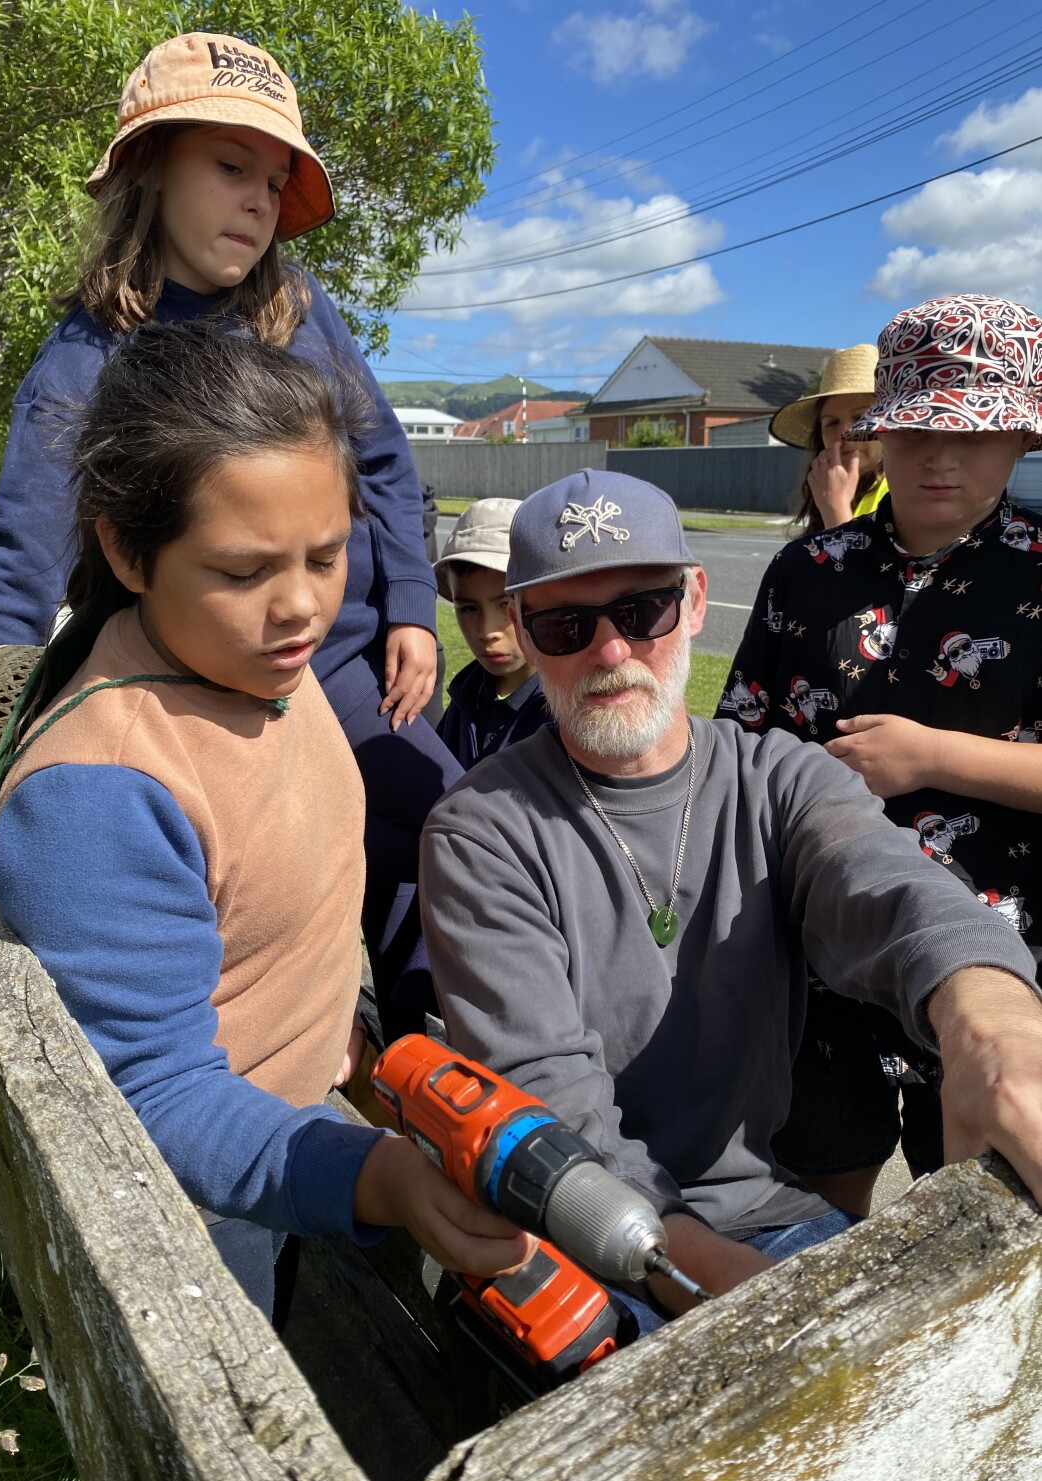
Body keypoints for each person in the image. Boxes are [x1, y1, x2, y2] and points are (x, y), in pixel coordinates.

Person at [0, 324, 528, 1322]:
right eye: (245, 571)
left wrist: (325, 1019)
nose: (301, 608)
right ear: (125, 546)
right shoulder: (103, 793)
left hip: (288, 1127)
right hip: (202, 1216)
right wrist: (375, 1175)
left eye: (327, 555)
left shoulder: (243, 661)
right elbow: (152, 1101)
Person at [0, 31, 462, 1032]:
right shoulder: (84, 362)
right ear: (151, 167)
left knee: (462, 834)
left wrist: (412, 611)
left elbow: (381, 461)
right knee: (267, 889)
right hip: (204, 677)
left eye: (274, 178)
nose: (258, 199)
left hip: (345, 661)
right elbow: (21, 566)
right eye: (229, 165)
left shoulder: (299, 310)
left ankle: (418, 1044)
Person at [418, 467, 1042, 1326]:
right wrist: (737, 1287)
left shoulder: (781, 773)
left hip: (767, 1211)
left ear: (697, 600)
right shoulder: (479, 830)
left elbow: (887, 885)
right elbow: (549, 1101)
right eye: (566, 623)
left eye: (643, 611)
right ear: (522, 629)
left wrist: (994, 1025)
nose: (611, 653)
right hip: (582, 1233)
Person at [718, 293, 1042, 1216]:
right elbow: (743, 745)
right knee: (815, 1207)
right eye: (916, 430)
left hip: (998, 967)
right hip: (822, 954)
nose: (941, 456)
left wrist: (932, 755)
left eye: (975, 432)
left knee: (982, 1222)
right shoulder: (808, 572)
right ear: (875, 436)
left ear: (1020, 438)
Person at [434, 498, 549, 770]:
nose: (487, 631)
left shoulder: (565, 716)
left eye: (507, 605)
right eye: (469, 608)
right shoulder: (466, 695)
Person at [770, 343, 887, 533]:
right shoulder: (822, 492)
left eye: (860, 417)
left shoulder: (904, 493)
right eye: (831, 423)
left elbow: (854, 563)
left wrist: (836, 507)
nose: (844, 432)